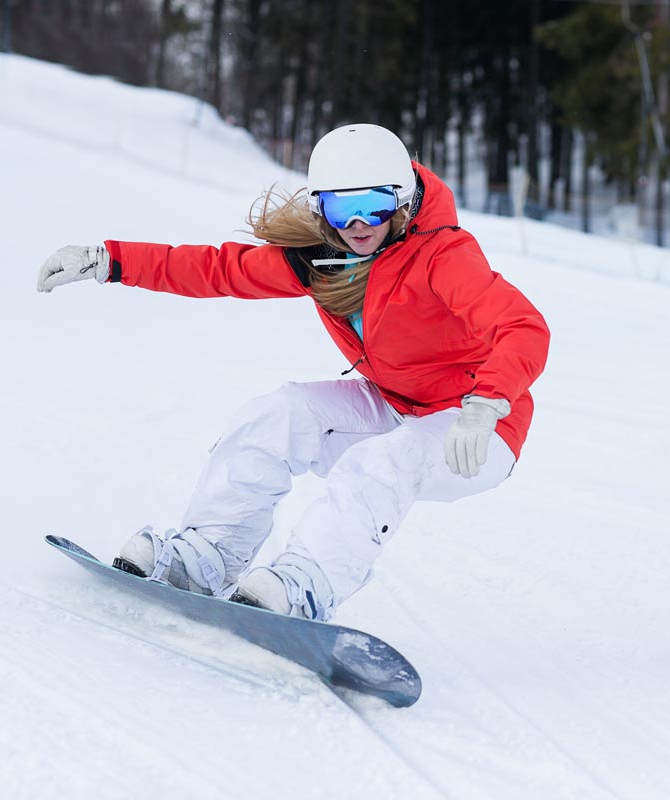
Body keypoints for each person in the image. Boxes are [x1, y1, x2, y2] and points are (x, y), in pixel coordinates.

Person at [36, 123, 550, 622]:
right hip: (395, 404)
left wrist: (487, 404)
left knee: (383, 461)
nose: (359, 224)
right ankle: (207, 554)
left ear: (404, 200)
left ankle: (306, 584)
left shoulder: (443, 254)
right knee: (279, 413)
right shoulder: (321, 259)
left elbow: (523, 326)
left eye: (374, 204)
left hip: (478, 428)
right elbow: (220, 269)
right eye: (341, 208)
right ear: (319, 208)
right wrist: (111, 261)